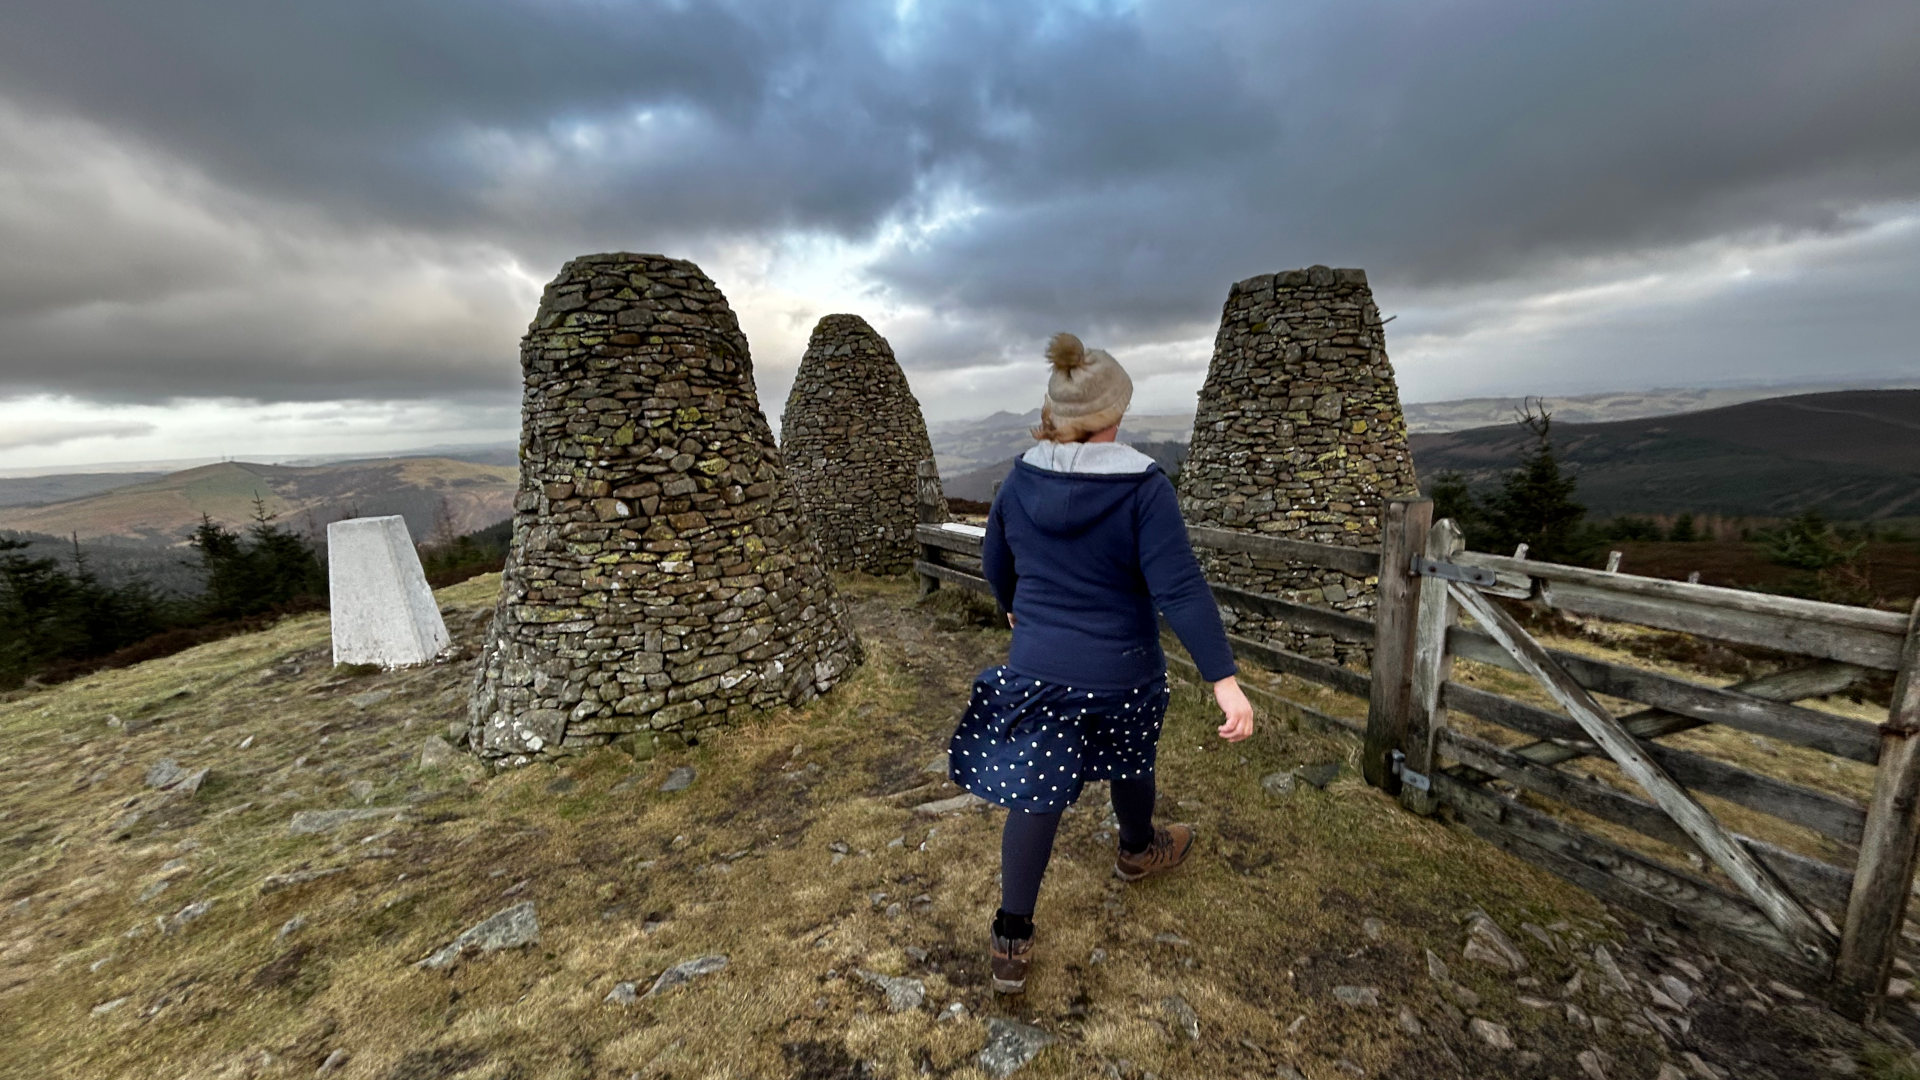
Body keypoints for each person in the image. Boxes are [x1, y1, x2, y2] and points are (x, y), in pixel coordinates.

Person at [947, 331, 1254, 995]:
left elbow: (995, 560)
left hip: (1037, 666)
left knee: (1037, 790)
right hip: (1122, 668)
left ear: (1055, 414)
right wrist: (1224, 682)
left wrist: (1012, 606)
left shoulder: (1018, 479)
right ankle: (1138, 851)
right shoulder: (1144, 488)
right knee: (1131, 758)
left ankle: (1011, 937)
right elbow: (1180, 588)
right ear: (1114, 413)